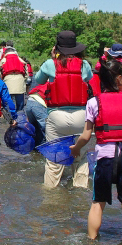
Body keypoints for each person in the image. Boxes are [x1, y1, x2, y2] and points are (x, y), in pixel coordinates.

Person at [70, 58, 122, 245]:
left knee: (98, 203)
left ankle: (92, 242)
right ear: (119, 79)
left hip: (105, 158)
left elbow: (86, 135)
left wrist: (76, 149)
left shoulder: (94, 102)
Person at [32, 31, 94, 188]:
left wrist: (54, 58)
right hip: (81, 116)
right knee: (80, 158)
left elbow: (38, 80)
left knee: (54, 160)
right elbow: (88, 79)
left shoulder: (50, 64)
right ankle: (80, 193)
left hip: (57, 116)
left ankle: (51, 197)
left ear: (57, 48)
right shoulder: (84, 65)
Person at [0, 42, 30, 111]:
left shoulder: (3, 60)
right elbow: (27, 74)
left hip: (8, 82)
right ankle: (20, 117)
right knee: (20, 104)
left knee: (9, 103)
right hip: (20, 82)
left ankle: (11, 118)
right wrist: (23, 80)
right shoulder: (20, 60)